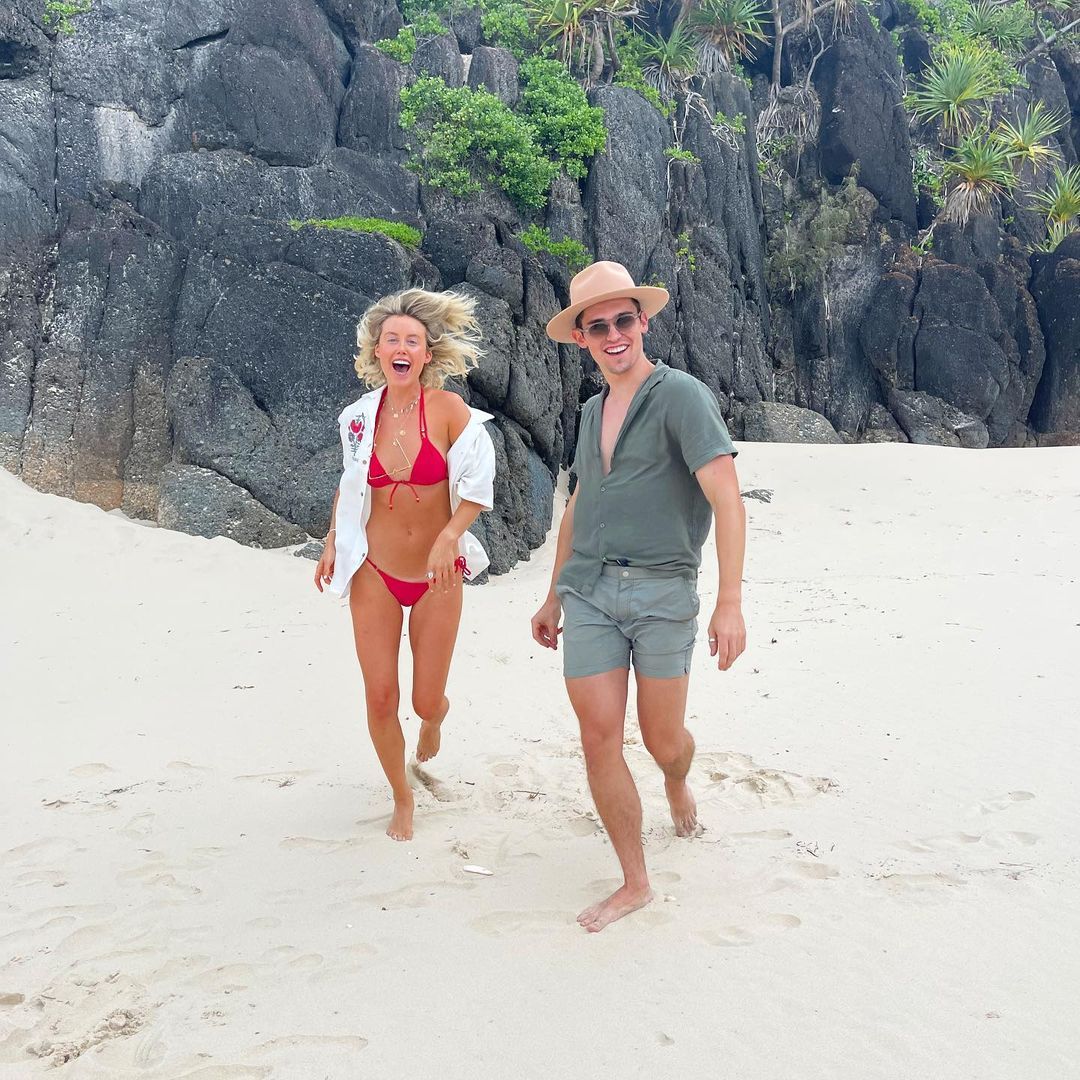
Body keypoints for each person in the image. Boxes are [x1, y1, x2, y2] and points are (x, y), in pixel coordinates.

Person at [531, 261, 747, 932]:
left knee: (662, 741)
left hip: (662, 591)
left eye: (623, 320)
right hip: (590, 592)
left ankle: (677, 779)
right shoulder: (591, 410)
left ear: (643, 322)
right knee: (599, 739)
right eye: (597, 327)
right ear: (581, 339)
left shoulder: (681, 396)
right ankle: (635, 882)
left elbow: (728, 500)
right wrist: (554, 594)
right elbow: (579, 505)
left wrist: (730, 601)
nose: (613, 335)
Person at [315, 288, 496, 842]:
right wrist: (331, 541)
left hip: (438, 575)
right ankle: (402, 796)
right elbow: (349, 485)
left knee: (423, 699)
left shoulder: (449, 411)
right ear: (377, 350)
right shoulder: (356, 419)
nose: (401, 348)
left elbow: (478, 485)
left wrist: (449, 537)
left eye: (412, 341)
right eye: (391, 339)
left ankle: (436, 716)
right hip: (375, 571)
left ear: (426, 353)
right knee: (380, 698)